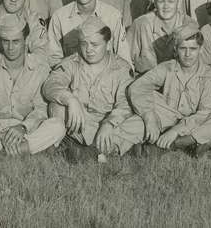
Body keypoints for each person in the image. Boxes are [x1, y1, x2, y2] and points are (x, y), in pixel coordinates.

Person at [0, 14, 65, 155]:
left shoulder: (41, 69)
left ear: (26, 40)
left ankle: (3, 153)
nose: (10, 47)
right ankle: (27, 149)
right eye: (5, 41)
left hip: (27, 128)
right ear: (0, 41)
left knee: (57, 126)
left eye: (16, 41)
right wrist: (2, 133)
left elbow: (41, 109)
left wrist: (23, 127)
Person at [42, 16, 144, 162]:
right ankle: (100, 152)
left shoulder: (122, 68)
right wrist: (70, 100)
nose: (88, 49)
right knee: (56, 106)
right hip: (79, 123)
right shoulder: (72, 62)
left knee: (139, 122)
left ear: (108, 44)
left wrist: (109, 123)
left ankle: (90, 152)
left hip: (108, 125)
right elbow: (51, 85)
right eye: (84, 44)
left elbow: (125, 103)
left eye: (95, 44)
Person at [127, 22, 211, 156]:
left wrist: (176, 130)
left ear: (201, 49)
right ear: (175, 49)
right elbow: (137, 87)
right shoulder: (168, 67)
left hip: (194, 124)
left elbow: (204, 112)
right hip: (168, 116)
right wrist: (149, 117)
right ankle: (107, 147)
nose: (187, 54)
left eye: (193, 49)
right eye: (182, 48)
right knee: (144, 108)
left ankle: (175, 144)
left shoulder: (209, 75)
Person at [47, 0, 129, 65]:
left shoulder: (113, 16)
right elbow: (53, 59)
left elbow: (124, 58)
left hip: (105, 76)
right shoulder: (59, 17)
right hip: (73, 76)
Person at [128, 0, 195, 73]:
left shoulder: (188, 24)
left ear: (179, 2)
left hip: (177, 80)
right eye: (161, 1)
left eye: (171, 1)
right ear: (154, 3)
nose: (166, 6)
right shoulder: (141, 24)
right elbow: (125, 59)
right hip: (145, 79)